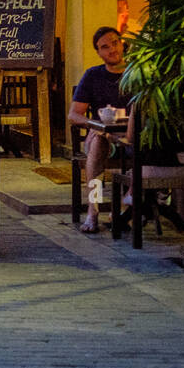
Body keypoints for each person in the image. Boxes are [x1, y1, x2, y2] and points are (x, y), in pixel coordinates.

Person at [68, 25, 130, 233]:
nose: (112, 49)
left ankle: (124, 209)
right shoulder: (93, 75)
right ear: (98, 52)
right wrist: (95, 125)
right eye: (105, 47)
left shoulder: (136, 73)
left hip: (131, 135)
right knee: (96, 146)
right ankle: (93, 210)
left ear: (122, 43)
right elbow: (74, 114)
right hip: (102, 135)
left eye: (115, 43)